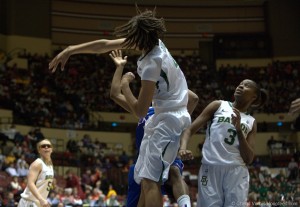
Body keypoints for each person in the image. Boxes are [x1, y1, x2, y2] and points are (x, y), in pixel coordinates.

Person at [49, 6, 192, 207]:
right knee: (144, 179)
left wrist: (125, 86)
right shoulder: (155, 43)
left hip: (168, 120)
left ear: (139, 37)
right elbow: (105, 45)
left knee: (151, 182)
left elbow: (140, 111)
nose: (130, 40)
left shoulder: (152, 62)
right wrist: (71, 49)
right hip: (166, 115)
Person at [109, 50, 198, 207]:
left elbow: (192, 98)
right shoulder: (145, 110)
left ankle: (186, 204)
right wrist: (119, 67)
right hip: (144, 160)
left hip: (167, 155)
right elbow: (115, 94)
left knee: (174, 172)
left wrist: (170, 77)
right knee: (144, 189)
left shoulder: (171, 110)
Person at [179, 79, 268, 207]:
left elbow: (249, 158)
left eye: (247, 86)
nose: (241, 86)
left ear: (254, 96)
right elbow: (189, 130)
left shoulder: (251, 121)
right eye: (240, 84)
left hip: (236, 172)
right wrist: (182, 148)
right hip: (210, 168)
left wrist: (239, 130)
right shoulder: (218, 105)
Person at [18, 139, 54, 207]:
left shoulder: (50, 164)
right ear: (39, 150)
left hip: (38, 202)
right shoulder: (37, 163)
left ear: (51, 149)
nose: (46, 147)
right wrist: (41, 199)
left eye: (48, 146)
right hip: (29, 202)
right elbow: (30, 183)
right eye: (43, 146)